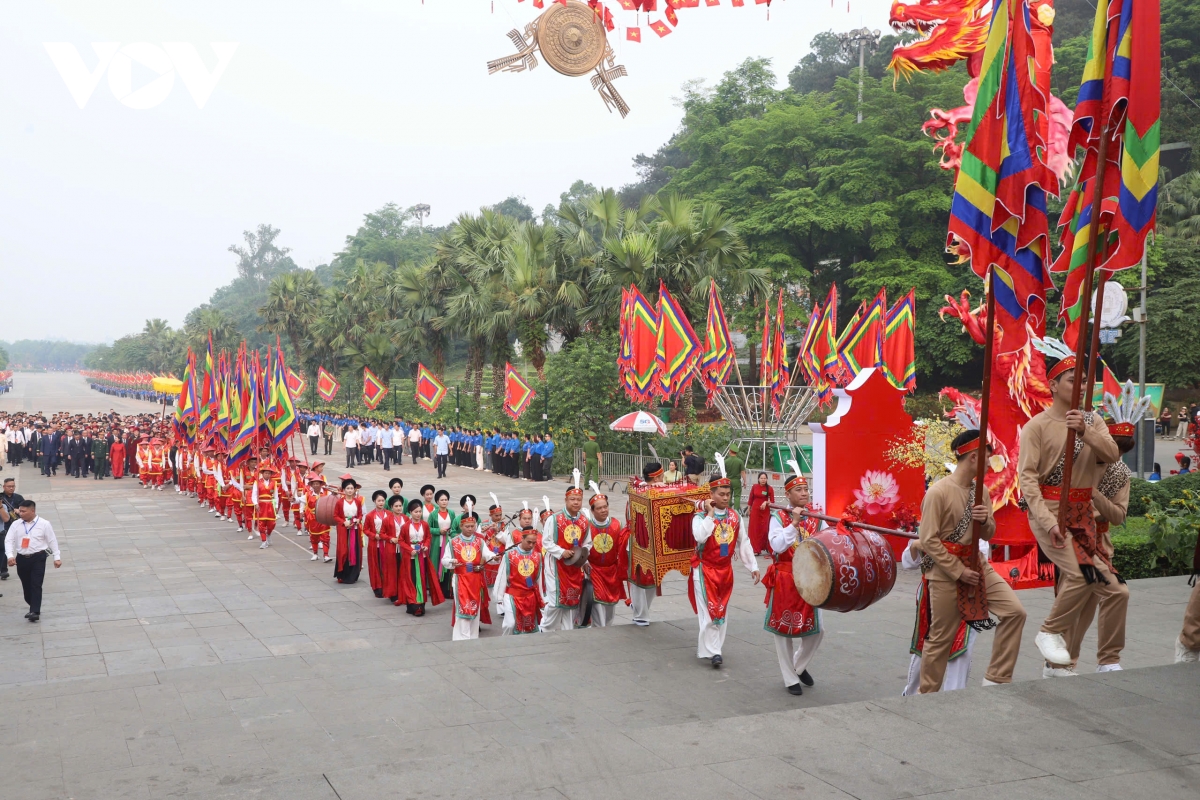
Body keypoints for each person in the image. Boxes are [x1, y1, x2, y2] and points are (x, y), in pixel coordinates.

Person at [1019, 349, 1120, 677]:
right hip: (1049, 511)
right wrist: (1047, 522)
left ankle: (1068, 662)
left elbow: (1113, 453)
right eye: (1072, 380)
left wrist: (1085, 431)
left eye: (1084, 381)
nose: (1079, 386)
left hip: (1083, 513)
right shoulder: (1036, 427)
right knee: (1079, 575)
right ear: (1053, 385)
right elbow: (1028, 479)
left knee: (1107, 588)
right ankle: (1049, 632)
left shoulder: (1092, 420)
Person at [920, 430, 1027, 691]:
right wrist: (958, 571)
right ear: (972, 457)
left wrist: (985, 520)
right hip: (945, 573)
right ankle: (927, 697)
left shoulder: (981, 492)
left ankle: (997, 678)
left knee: (1015, 612)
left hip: (977, 565)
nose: (990, 462)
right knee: (941, 639)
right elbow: (928, 540)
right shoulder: (938, 492)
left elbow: (990, 533)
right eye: (986, 456)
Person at [1065, 408, 1137, 674]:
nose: (1115, 455)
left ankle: (1107, 660)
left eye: (1121, 451)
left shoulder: (1120, 473)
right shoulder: (1074, 459)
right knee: (1077, 607)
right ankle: (1064, 662)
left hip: (1101, 545)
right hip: (1073, 541)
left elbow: (1118, 516)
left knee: (1102, 598)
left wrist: (1094, 494)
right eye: (1113, 447)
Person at [690, 462, 759, 667]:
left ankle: (714, 648)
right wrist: (710, 514)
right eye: (721, 494)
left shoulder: (735, 517)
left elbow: (743, 542)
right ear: (712, 494)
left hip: (725, 570)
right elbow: (700, 537)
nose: (726, 497)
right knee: (710, 611)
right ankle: (714, 651)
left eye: (728, 493)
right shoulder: (699, 517)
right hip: (704, 570)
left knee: (722, 610)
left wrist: (753, 566)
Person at [765, 470, 822, 695]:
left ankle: (798, 666)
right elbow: (777, 546)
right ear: (788, 495)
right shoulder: (778, 517)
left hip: (810, 580)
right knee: (783, 631)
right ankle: (790, 678)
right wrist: (794, 524)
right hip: (786, 580)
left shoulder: (818, 518)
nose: (804, 493)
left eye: (806, 489)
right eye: (798, 490)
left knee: (818, 630)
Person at [541, 472, 592, 631]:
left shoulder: (584, 520)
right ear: (566, 500)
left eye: (578, 500)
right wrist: (561, 552)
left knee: (572, 599)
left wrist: (584, 560)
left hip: (574, 566)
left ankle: (567, 629)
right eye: (572, 499)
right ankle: (545, 627)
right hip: (556, 565)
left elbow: (587, 543)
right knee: (556, 600)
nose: (576, 502)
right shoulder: (554, 519)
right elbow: (546, 541)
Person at [442, 508, 497, 640]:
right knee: (462, 608)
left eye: (472, 526)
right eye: (467, 526)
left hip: (475, 579)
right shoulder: (454, 542)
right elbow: (444, 560)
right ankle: (461, 637)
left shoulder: (479, 542)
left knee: (475, 607)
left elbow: (488, 554)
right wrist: (452, 561)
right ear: (461, 526)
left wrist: (494, 557)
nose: (470, 529)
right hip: (460, 579)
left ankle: (472, 636)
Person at [4, 500, 61, 622]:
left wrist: (57, 557)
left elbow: (52, 540)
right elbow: (9, 540)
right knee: (27, 586)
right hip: (22, 558)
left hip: (38, 558)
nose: (21, 513)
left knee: (36, 584)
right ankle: (33, 605)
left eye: (24, 511)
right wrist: (10, 556)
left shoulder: (44, 524)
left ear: (32, 511)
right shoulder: (16, 524)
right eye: (20, 510)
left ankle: (34, 611)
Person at [585, 483, 627, 628]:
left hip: (612, 571)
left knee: (610, 608)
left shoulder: (617, 524)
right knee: (597, 605)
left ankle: (607, 630)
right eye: (599, 508)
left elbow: (622, 547)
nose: (603, 510)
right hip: (595, 570)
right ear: (592, 511)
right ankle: (599, 631)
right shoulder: (587, 526)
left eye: (605, 507)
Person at [628, 462, 664, 627]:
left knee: (652, 579)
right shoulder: (639, 492)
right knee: (639, 579)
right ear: (656, 477)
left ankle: (643, 611)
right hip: (638, 542)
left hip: (654, 544)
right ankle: (639, 614)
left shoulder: (648, 489)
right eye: (661, 476)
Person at [493, 523, 543, 635]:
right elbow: (501, 577)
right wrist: (499, 597)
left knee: (528, 626)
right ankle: (505, 643)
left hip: (530, 597)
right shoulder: (509, 555)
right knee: (510, 624)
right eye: (528, 542)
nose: (531, 545)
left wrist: (541, 598)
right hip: (512, 595)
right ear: (521, 539)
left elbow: (538, 580)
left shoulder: (537, 556)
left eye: (534, 543)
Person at [402, 499, 443, 615]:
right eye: (415, 512)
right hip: (410, 558)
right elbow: (401, 540)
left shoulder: (424, 525)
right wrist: (410, 550)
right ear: (410, 512)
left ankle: (421, 605)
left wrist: (425, 546)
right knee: (412, 580)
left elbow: (428, 538)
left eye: (420, 511)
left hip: (422, 557)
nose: (418, 514)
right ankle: (413, 605)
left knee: (422, 580)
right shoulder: (406, 526)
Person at [427, 489, 459, 599]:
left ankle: (447, 590)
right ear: (437, 501)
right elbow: (428, 528)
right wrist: (438, 531)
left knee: (448, 566)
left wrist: (450, 532)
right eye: (442, 500)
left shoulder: (451, 513)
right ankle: (435, 589)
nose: (444, 502)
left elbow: (454, 527)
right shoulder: (433, 514)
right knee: (436, 565)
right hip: (437, 543)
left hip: (448, 542)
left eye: (446, 500)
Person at [333, 475, 365, 584]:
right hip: (344, 529)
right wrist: (344, 522)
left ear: (355, 490)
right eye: (348, 488)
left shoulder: (357, 502)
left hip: (355, 529)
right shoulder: (340, 502)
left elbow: (360, 514)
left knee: (355, 550)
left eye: (352, 488)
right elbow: (335, 516)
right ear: (344, 490)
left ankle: (353, 574)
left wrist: (358, 520)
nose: (350, 490)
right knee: (344, 550)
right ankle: (343, 573)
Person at [364, 490, 394, 599]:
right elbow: (365, 529)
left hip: (387, 544)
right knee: (375, 566)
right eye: (379, 501)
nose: (381, 503)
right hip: (374, 544)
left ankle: (388, 586)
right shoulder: (370, 516)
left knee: (387, 565)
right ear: (374, 501)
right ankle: (377, 587)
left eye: (382, 500)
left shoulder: (390, 514)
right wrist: (374, 535)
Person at [304, 474, 333, 562]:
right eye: (314, 483)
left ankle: (326, 555)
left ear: (321, 484)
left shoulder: (327, 493)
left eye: (318, 483)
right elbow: (300, 500)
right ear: (311, 485)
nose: (316, 485)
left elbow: (334, 499)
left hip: (324, 518)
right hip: (313, 519)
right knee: (314, 537)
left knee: (325, 536)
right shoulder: (307, 494)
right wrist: (294, 500)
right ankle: (315, 554)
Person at [252, 464, 280, 549]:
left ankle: (268, 534)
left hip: (270, 505)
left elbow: (275, 495)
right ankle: (263, 541)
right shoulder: (257, 482)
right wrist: (256, 504)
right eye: (266, 473)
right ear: (262, 474)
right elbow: (254, 494)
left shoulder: (274, 483)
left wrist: (276, 506)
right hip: (261, 505)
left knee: (272, 523)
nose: (267, 475)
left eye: (269, 473)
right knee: (261, 524)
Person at [0, 478, 23, 581]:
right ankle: (4, 569)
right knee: (4, 547)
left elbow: (25, 510)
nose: (11, 488)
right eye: (9, 486)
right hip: (4, 527)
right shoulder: (1, 497)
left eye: (13, 486)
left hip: (16, 524)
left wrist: (20, 511)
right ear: (4, 487)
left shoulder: (18, 498)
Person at [747, 472, 774, 555]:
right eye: (761, 478)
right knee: (754, 529)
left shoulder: (769, 489)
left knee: (765, 529)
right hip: (755, 510)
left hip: (765, 511)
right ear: (758, 479)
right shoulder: (754, 487)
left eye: (765, 478)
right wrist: (749, 509)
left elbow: (772, 501)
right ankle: (755, 549)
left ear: (767, 479)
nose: (763, 480)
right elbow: (751, 498)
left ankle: (766, 546)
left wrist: (766, 502)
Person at [724, 447, 745, 511]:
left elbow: (723, 471)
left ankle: (728, 508)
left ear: (730, 451)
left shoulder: (726, 461)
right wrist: (745, 481)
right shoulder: (740, 461)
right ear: (736, 452)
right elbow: (743, 472)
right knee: (737, 496)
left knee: (728, 494)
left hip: (728, 480)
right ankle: (736, 510)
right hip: (736, 480)